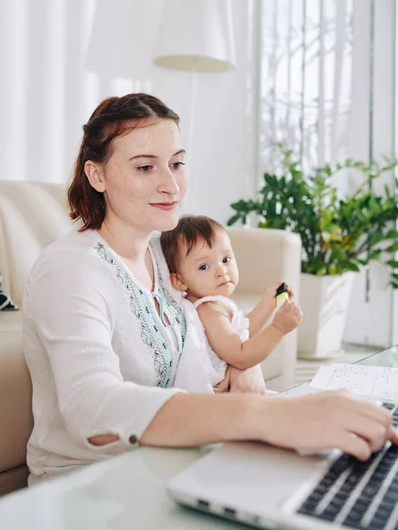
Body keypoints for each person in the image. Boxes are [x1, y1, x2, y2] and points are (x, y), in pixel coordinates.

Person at [23, 93, 398, 486]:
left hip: (180, 458)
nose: (171, 185)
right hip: (90, 485)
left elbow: (219, 319)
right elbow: (91, 408)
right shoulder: (69, 270)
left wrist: (244, 363)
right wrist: (263, 417)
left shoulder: (164, 255)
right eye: (145, 167)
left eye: (177, 163)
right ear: (96, 175)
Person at [160, 214, 301, 393]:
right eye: (204, 266)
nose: (221, 271)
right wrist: (278, 329)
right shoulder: (208, 310)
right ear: (179, 281)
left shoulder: (214, 303)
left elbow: (242, 331)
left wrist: (268, 304)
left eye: (226, 260)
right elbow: (241, 355)